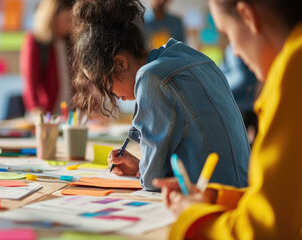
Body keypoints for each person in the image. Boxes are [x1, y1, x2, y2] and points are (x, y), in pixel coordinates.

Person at [154, 0, 302, 239]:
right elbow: (287, 201)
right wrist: (215, 198)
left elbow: (265, 231)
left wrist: (193, 218)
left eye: (227, 33)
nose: (234, 51)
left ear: (248, 16)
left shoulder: (294, 69)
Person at [71, 0, 250, 191]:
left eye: (107, 85)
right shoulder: (190, 56)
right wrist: (143, 165)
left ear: (121, 64)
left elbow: (152, 181)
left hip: (214, 200)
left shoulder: (151, 77)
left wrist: (147, 168)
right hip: (240, 189)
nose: (114, 96)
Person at [20, 0, 74, 117]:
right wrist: (35, 108)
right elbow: (30, 79)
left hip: (69, 115)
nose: (70, 25)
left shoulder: (69, 43)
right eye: (66, 20)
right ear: (51, 17)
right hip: (45, 114)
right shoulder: (36, 42)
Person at [221, 44, 259, 144]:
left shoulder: (234, 47)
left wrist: (218, 84)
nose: (236, 52)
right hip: (250, 104)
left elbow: (241, 78)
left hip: (241, 107)